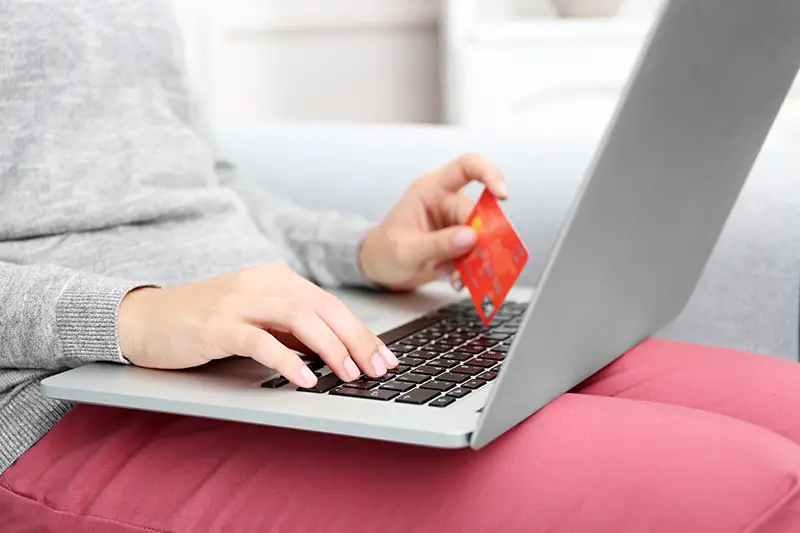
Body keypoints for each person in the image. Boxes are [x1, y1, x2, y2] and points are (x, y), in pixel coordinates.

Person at [1, 2, 799, 532]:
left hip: (293, 344)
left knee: (786, 411)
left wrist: (360, 253)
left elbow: (204, 182)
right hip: (65, 392)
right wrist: (132, 315)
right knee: (745, 485)